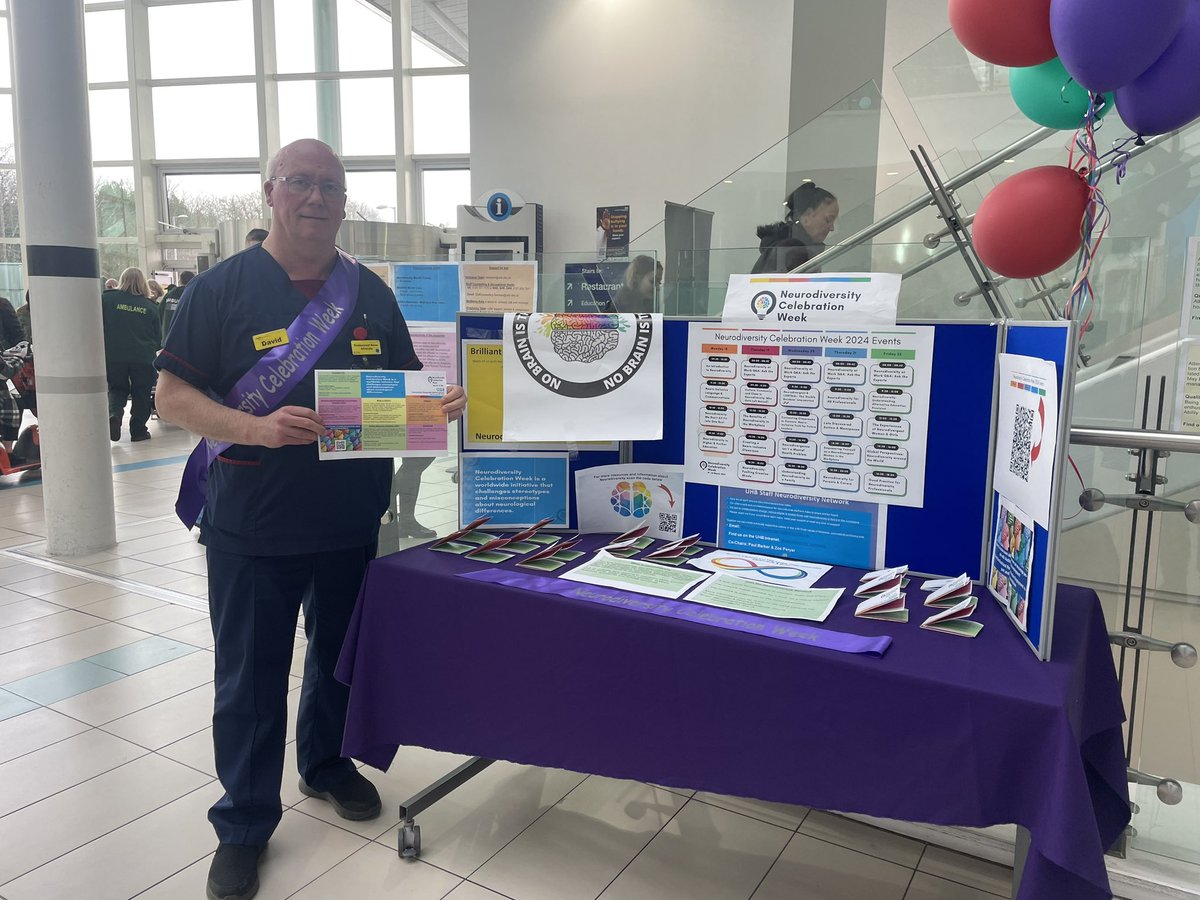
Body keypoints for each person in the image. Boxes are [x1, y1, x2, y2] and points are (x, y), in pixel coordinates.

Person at [154, 138, 465, 900]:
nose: (316, 197)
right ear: (270, 193)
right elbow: (171, 400)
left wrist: (435, 408)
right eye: (300, 182)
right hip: (251, 527)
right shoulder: (222, 289)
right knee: (250, 682)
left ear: (343, 199)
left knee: (337, 662)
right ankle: (244, 822)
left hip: (350, 522)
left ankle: (324, 764)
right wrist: (256, 427)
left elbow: (399, 395)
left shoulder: (369, 294)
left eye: (329, 185)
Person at [102, 267, 160, 442]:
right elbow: (158, 336)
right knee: (141, 392)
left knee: (117, 388)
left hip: (114, 355)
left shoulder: (107, 299)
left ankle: (115, 415)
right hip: (143, 357)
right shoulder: (150, 306)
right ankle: (138, 430)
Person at [751, 181, 839, 274]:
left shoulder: (782, 247)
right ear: (807, 216)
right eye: (828, 219)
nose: (831, 228)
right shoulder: (793, 250)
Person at [160, 270, 193, 345]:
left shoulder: (170, 294)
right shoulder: (192, 294)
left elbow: (159, 312)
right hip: (185, 341)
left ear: (180, 280)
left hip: (167, 339)